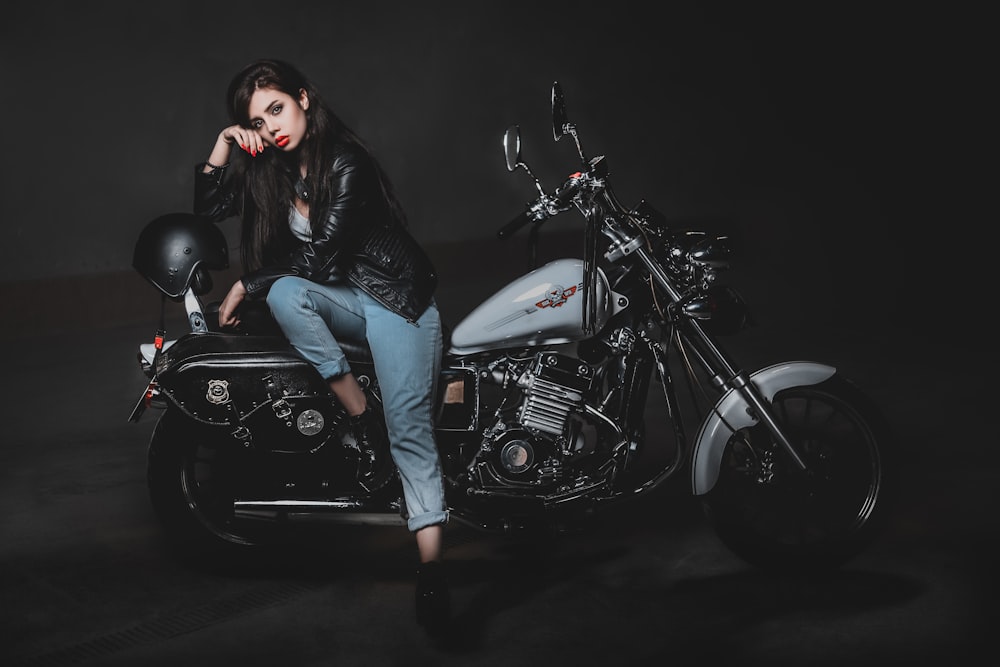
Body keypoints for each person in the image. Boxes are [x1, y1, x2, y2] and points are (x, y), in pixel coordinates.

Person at [193, 58, 450, 635]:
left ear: (304, 99)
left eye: (277, 109)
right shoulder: (272, 171)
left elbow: (325, 257)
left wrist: (245, 283)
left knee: (411, 427)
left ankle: (432, 569)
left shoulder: (345, 161)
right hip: (344, 302)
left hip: (394, 302)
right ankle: (363, 416)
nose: (272, 127)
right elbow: (208, 215)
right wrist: (222, 147)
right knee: (286, 296)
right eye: (259, 120)